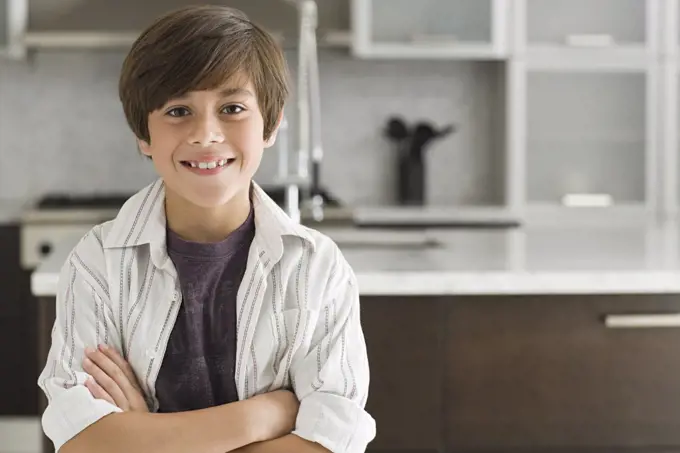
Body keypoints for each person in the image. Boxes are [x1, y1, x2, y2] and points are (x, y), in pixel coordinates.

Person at [37, 5, 376, 453]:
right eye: (178, 111)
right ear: (144, 135)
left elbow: (332, 442)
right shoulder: (98, 261)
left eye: (232, 107)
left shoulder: (317, 268)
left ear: (271, 123)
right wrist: (263, 415)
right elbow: (79, 439)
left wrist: (144, 434)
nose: (206, 134)